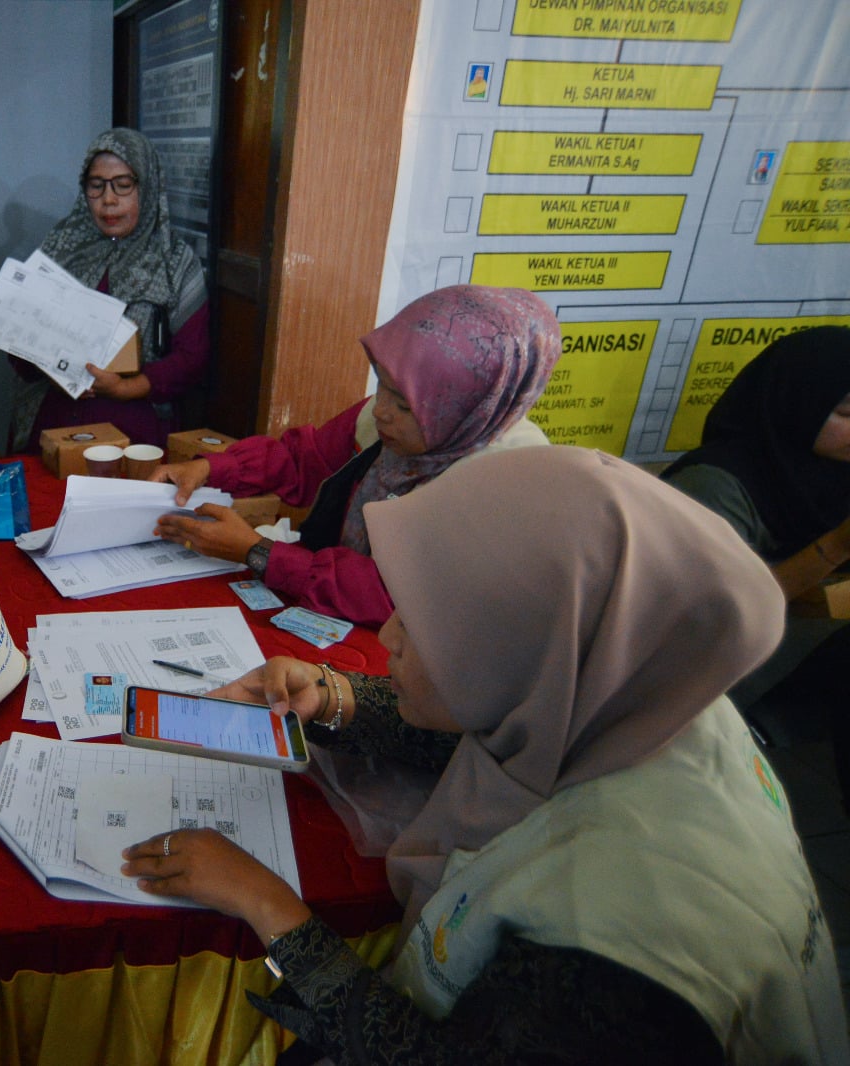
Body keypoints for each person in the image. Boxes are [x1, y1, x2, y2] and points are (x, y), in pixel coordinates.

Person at [122, 446, 847, 1063]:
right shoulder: (639, 691)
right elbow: (511, 731)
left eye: (424, 625)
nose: (390, 638)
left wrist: (266, 903)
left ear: (533, 651)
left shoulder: (613, 944)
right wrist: (335, 698)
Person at [149, 284, 557, 627]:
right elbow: (303, 460)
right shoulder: (393, 419)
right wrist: (210, 467)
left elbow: (397, 595)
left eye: (404, 403)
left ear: (472, 406)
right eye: (382, 385)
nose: (381, 410)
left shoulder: (502, 486)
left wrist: (258, 552)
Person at [661, 326, 850, 750]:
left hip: (803, 659)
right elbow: (709, 617)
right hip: (705, 685)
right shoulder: (714, 487)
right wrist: (837, 547)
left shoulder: (836, 473)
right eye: (848, 414)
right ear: (797, 403)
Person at [10, 127, 209, 450]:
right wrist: (52, 371)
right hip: (58, 422)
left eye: (123, 185)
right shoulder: (60, 248)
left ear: (147, 186)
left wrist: (124, 388)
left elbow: (192, 358)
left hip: (135, 428)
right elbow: (17, 345)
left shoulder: (174, 261)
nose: (108, 199)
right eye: (96, 185)